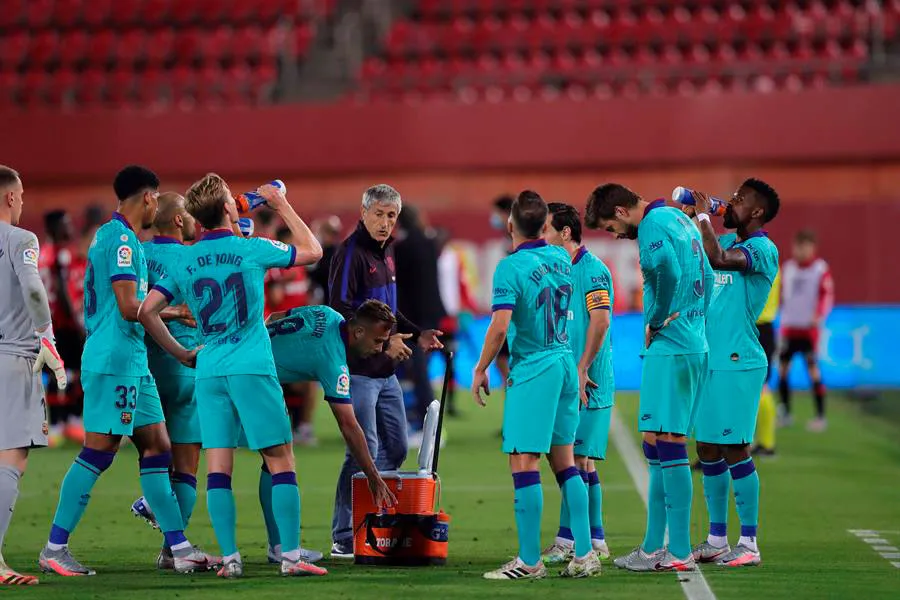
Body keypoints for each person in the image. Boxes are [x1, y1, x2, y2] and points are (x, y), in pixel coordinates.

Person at [138, 174, 324, 579]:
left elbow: (146, 310)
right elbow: (313, 250)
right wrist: (279, 204)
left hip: (209, 368)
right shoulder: (250, 249)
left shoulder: (184, 259)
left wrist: (183, 353)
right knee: (280, 458)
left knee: (218, 465)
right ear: (228, 208)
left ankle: (231, 558)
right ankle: (291, 556)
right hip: (251, 364)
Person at [39, 166, 209, 577]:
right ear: (149, 197)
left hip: (130, 361)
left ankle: (179, 547)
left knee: (157, 447)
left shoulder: (113, 236)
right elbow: (130, 308)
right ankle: (54, 548)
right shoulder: (122, 243)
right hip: (117, 361)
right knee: (99, 452)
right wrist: (178, 344)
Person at [472, 190, 600, 581]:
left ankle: (529, 561)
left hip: (535, 369)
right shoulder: (561, 258)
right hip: (563, 362)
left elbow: (500, 326)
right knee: (564, 461)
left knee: (524, 461)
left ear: (511, 224)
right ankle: (585, 552)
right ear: (545, 226)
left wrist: (480, 369)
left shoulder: (509, 268)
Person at [585, 184, 713, 572]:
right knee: (655, 441)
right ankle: (654, 544)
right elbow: (706, 271)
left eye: (611, 227)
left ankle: (677, 551)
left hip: (672, 345)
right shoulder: (679, 218)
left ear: (622, 211)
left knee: (669, 442)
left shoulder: (655, 224)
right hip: (690, 340)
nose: (615, 235)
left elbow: (667, 270)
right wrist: (695, 318)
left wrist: (658, 319)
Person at [326, 184, 442, 559]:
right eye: (378, 214)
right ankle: (344, 533)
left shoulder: (387, 252)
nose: (385, 222)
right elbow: (340, 312)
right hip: (358, 372)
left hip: (385, 373)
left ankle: (370, 506)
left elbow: (386, 313)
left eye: (391, 216)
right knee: (362, 451)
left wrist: (417, 331)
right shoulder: (350, 254)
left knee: (394, 447)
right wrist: (382, 340)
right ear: (363, 213)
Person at [680, 180, 780, 568]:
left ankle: (750, 543)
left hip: (740, 361)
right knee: (706, 449)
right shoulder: (725, 240)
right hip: (710, 359)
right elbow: (701, 258)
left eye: (740, 200)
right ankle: (717, 538)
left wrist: (705, 215)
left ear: (756, 212)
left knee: (735, 448)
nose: (731, 203)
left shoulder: (762, 249)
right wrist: (692, 222)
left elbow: (720, 259)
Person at [260, 300, 398, 556]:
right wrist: (373, 477)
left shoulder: (326, 313)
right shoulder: (333, 361)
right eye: (378, 341)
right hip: (256, 378)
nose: (380, 350)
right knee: (279, 460)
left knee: (263, 460)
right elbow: (348, 424)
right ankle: (281, 549)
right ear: (358, 333)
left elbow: (276, 316)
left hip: (242, 360)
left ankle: (277, 546)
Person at [124, 191, 215, 570]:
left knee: (151, 459)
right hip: (186, 366)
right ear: (179, 220)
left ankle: (155, 510)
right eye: (191, 216)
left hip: (143, 371)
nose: (196, 221)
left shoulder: (137, 255)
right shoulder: (194, 258)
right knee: (187, 467)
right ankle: (171, 550)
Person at [0, 166, 67, 585]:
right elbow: (34, 289)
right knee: (10, 461)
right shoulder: (21, 239)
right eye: (21, 195)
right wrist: (48, 338)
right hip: (12, 359)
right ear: (9, 198)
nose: (23, 202)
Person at [541, 203, 615, 565]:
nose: (541, 237)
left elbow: (600, 322)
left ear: (565, 233)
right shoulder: (553, 271)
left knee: (576, 460)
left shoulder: (593, 270)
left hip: (590, 381)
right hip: (564, 382)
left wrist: (583, 367)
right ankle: (593, 536)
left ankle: (570, 539)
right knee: (576, 462)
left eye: (546, 230)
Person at [395, 205, 447, 438]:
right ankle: (421, 419)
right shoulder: (429, 243)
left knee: (416, 369)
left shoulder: (403, 247)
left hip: (414, 317)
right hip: (433, 311)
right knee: (418, 369)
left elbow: (404, 287)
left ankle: (429, 424)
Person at [778, 230, 833, 432]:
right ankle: (785, 413)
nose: (800, 250)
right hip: (789, 328)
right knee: (783, 370)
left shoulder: (820, 269)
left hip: (808, 331)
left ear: (812, 247)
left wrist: (818, 316)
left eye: (805, 246)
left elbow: (827, 296)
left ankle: (820, 417)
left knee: (813, 371)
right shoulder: (788, 268)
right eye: (798, 246)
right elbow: (781, 294)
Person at [39, 209, 84, 444]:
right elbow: (62, 291)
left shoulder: (42, 254)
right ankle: (64, 422)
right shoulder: (58, 256)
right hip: (61, 323)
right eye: (65, 223)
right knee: (68, 371)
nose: (70, 227)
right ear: (54, 229)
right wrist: (76, 322)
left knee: (59, 372)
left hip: (47, 323)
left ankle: (61, 423)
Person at [754, 269, 780, 456]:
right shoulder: (774, 262)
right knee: (761, 387)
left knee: (761, 387)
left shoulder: (757, 260)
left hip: (757, 327)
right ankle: (764, 442)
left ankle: (768, 444)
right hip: (764, 328)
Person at [490, 194, 515, 383]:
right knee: (502, 358)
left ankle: (516, 400)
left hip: (515, 308)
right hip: (511, 306)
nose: (494, 218)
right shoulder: (509, 241)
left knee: (502, 358)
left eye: (497, 214)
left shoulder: (519, 241)